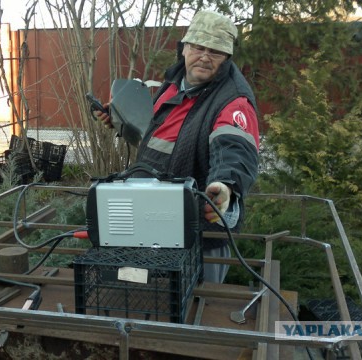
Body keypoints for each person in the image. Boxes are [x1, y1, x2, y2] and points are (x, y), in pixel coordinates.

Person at [93, 10, 260, 283]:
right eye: (198, 47)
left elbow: (235, 150)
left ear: (227, 57)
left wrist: (225, 185)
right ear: (184, 48)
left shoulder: (234, 101)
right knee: (154, 298)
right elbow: (157, 136)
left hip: (199, 232)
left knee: (197, 309)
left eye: (215, 51)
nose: (205, 56)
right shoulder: (174, 82)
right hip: (156, 217)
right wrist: (121, 118)